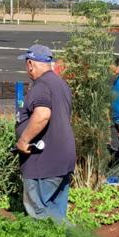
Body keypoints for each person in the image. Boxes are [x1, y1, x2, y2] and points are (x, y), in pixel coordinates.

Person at [15, 44, 76, 224]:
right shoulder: (60, 84)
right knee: (56, 210)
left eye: (26, 63)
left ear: (31, 64)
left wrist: (24, 140)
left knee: (40, 213)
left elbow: (42, 115)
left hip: (43, 161)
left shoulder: (41, 86)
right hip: (62, 158)